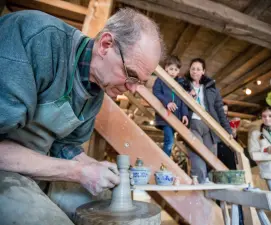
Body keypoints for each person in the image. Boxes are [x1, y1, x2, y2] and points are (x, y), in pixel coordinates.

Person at [0, 8, 163, 225]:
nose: (133, 89)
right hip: (6, 168)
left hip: (36, 168)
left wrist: (97, 168)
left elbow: (65, 146)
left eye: (140, 82)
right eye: (131, 75)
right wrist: (77, 171)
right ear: (106, 44)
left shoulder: (95, 94)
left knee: (106, 201)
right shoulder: (38, 39)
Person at [184, 58, 232, 183]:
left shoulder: (212, 88)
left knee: (211, 158)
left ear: (203, 71)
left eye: (198, 69)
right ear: (189, 70)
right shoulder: (183, 85)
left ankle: (209, 188)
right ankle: (200, 186)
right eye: (192, 69)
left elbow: (220, 110)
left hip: (211, 126)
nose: (195, 71)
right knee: (197, 154)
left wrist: (228, 130)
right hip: (193, 123)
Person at [153, 56, 189, 156]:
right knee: (169, 141)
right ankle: (165, 163)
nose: (173, 72)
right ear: (166, 68)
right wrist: (167, 102)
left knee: (170, 141)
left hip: (176, 118)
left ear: (178, 71)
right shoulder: (160, 80)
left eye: (176, 70)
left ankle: (165, 162)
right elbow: (156, 92)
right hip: (165, 116)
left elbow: (182, 101)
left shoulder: (180, 84)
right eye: (171, 69)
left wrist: (185, 114)